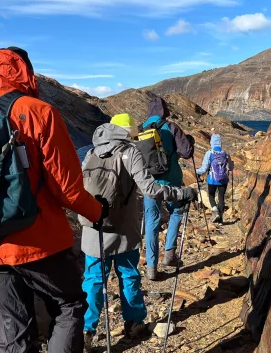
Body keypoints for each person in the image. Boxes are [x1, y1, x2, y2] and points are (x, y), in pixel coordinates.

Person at [0, 47, 106, 353]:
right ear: (25, 72)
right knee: (70, 305)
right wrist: (97, 212)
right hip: (41, 243)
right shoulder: (38, 112)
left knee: (13, 325)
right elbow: (67, 189)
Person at [80, 113, 197, 351]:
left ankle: (85, 331)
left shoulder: (90, 153)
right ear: (129, 132)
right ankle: (133, 323)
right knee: (129, 275)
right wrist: (181, 193)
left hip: (93, 230)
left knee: (93, 281)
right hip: (124, 231)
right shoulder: (129, 152)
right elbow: (151, 189)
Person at [141, 97, 194, 280]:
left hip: (149, 183)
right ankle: (170, 253)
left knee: (151, 222)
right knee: (177, 212)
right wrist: (188, 141)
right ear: (165, 110)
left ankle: (151, 268)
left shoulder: (141, 129)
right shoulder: (170, 127)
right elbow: (187, 152)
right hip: (172, 181)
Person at [195, 133, 231, 224]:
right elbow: (230, 168)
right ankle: (221, 219)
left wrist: (196, 171)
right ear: (220, 143)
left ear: (211, 142)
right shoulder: (225, 154)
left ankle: (215, 210)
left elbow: (204, 168)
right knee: (221, 197)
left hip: (212, 179)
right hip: (224, 179)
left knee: (211, 195)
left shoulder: (209, 153)